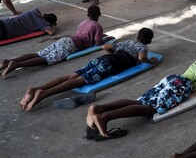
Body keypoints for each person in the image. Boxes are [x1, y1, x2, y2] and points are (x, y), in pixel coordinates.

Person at [85, 42, 196, 140]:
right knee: (149, 109)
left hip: (172, 79)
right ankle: (105, 117)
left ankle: (99, 108)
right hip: (180, 86)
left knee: (140, 101)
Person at [19, 28, 157, 112]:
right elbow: (142, 57)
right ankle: (44, 93)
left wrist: (115, 50)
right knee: (80, 81)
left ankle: (37, 88)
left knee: (72, 76)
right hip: (111, 65)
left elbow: (107, 47)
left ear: (137, 36)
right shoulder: (143, 48)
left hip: (102, 59)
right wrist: (150, 61)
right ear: (148, 41)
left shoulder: (128, 42)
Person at [1, 6, 110, 79]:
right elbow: (97, 43)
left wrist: (99, 35)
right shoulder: (98, 26)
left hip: (66, 40)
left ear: (87, 15)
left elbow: (83, 34)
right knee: (45, 60)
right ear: (99, 14)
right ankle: (16, 64)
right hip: (72, 46)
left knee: (39, 53)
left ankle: (9, 61)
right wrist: (105, 39)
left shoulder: (84, 22)